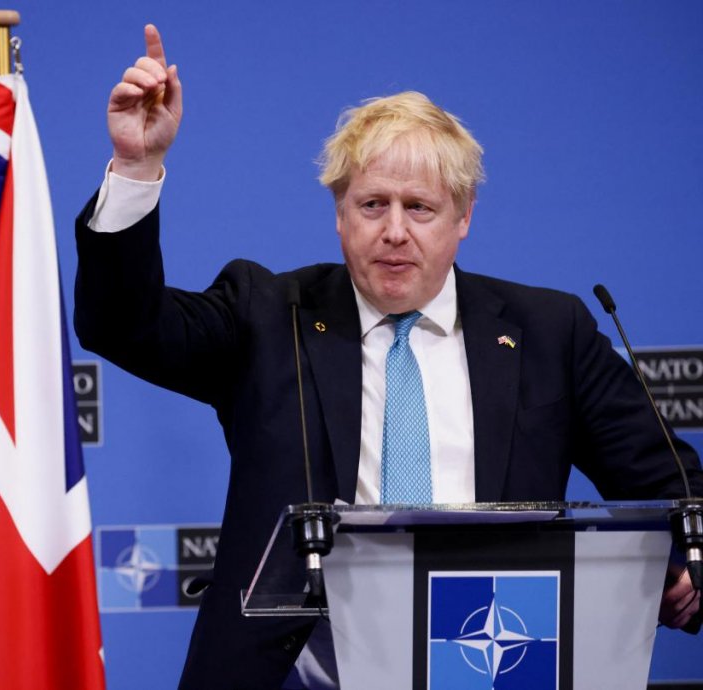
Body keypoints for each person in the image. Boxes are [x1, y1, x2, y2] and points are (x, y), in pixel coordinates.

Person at [73, 24, 703, 689]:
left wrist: (691, 567)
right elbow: (123, 325)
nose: (394, 231)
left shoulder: (549, 331)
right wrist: (136, 168)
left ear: (464, 217)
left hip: (494, 663)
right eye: (372, 204)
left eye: (420, 207)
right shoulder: (269, 315)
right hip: (300, 674)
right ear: (340, 214)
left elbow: (674, 486)